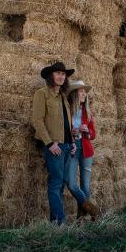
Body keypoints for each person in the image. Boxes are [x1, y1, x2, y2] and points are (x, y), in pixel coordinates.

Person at [31, 62, 100, 224]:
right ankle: (59, 221)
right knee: (56, 182)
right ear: (51, 76)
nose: (61, 77)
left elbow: (67, 122)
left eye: (63, 74)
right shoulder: (42, 94)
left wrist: (73, 142)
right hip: (54, 145)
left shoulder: (63, 96)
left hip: (68, 145)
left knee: (62, 183)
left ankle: (56, 220)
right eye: (58, 74)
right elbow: (37, 120)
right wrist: (49, 143)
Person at [65, 80, 97, 220]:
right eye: (81, 91)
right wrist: (72, 132)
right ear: (74, 94)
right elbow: (63, 129)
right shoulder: (67, 110)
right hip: (72, 147)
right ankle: (91, 208)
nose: (84, 94)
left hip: (86, 150)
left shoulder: (88, 112)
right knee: (71, 182)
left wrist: (87, 131)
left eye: (85, 92)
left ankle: (81, 218)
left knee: (86, 186)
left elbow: (93, 134)